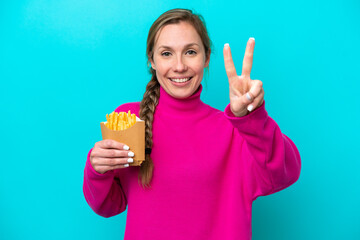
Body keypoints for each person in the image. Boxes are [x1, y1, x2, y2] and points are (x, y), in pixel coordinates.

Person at [83, 8, 301, 240]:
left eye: (190, 52)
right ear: (152, 60)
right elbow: (107, 205)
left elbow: (286, 173)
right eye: (166, 53)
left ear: (206, 58)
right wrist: (97, 170)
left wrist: (252, 116)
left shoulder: (236, 130)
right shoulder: (129, 119)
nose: (179, 66)